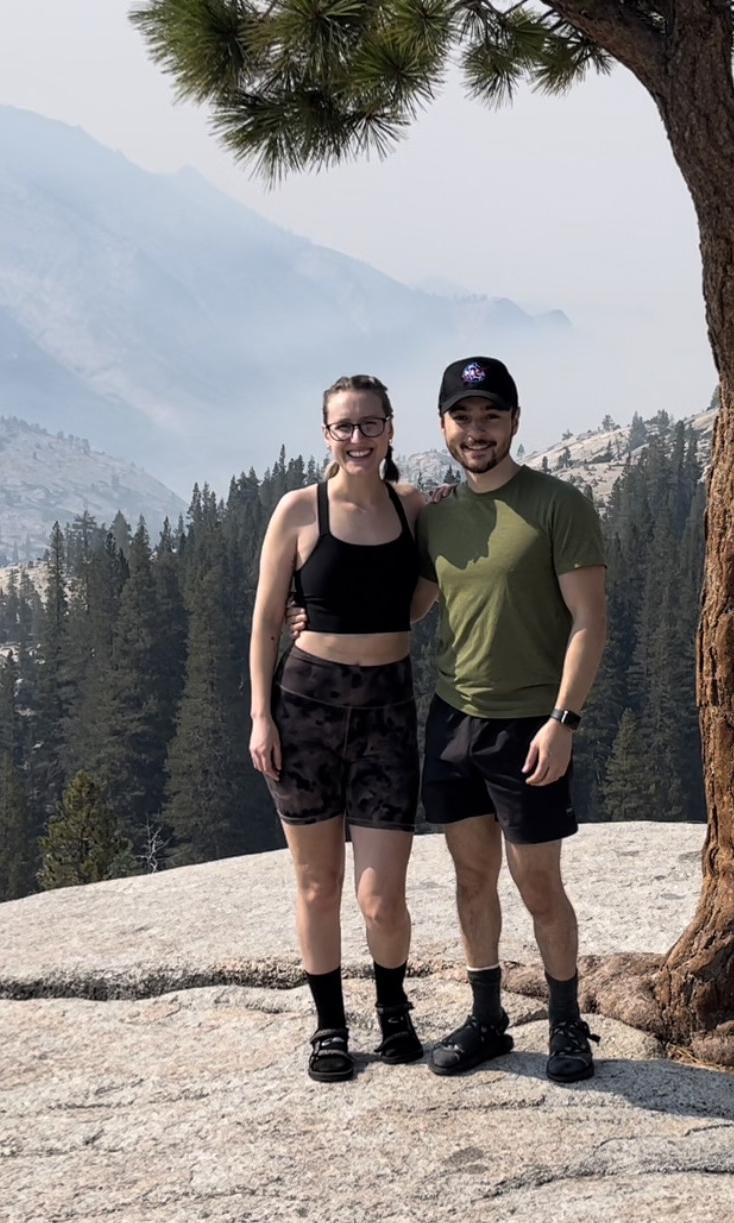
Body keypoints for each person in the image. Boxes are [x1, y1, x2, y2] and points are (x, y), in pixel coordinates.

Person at [412, 355, 608, 1083]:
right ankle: (488, 1018)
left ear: (516, 421)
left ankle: (566, 1024)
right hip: (452, 719)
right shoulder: (438, 517)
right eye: (462, 417)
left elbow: (590, 622)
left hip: (528, 723)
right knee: (470, 879)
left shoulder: (558, 505)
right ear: (443, 425)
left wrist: (563, 719)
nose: (477, 430)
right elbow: (414, 607)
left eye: (491, 415)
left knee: (538, 885)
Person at [248, 373, 432, 1083]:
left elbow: (413, 603)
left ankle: (393, 1008)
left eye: (370, 424)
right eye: (343, 426)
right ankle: (329, 1024)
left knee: (382, 894)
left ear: (391, 428)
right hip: (306, 707)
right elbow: (267, 623)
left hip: (388, 708)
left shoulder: (413, 505)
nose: (358, 438)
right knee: (318, 884)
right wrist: (262, 715)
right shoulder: (297, 511)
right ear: (325, 434)